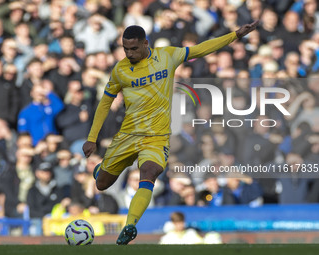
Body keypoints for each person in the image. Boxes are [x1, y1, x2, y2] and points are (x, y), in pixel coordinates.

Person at [82, 22, 259, 245]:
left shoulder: (167, 56)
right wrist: (92, 138)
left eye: (134, 48)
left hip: (157, 137)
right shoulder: (120, 70)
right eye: (125, 49)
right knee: (102, 184)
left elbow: (201, 49)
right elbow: (106, 102)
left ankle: (130, 225)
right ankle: (102, 170)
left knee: (150, 172)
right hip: (129, 135)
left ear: (146, 43)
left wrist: (235, 35)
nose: (129, 53)